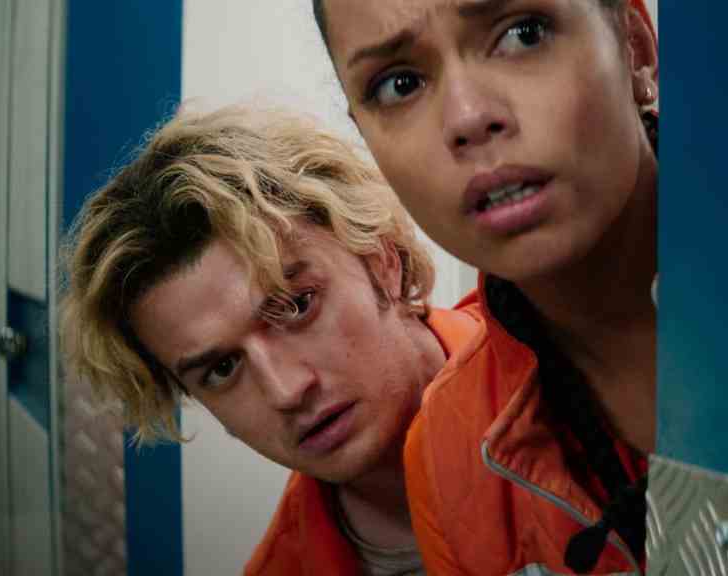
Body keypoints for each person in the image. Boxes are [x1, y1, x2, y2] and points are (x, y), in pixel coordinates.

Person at [59, 105, 485, 575]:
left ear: (381, 259)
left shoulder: (567, 360)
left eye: (297, 306)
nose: (286, 390)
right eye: (222, 369)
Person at [311, 0, 659, 573]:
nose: (469, 117)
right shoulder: (448, 458)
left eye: (523, 33)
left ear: (636, 47)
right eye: (399, 84)